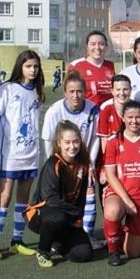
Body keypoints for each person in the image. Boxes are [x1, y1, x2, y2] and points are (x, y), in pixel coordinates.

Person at [0, 49, 45, 260]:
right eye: (29, 66)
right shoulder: (6, 89)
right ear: (20, 66)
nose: (32, 70)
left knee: (23, 199)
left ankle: (17, 241)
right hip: (9, 154)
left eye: (36, 66)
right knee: (5, 196)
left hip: (30, 153)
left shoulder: (38, 92)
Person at [40, 72, 101, 243]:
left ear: (85, 92)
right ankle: (56, 238)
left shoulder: (93, 109)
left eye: (80, 91)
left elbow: (96, 138)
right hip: (61, 162)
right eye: (72, 91)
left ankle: (87, 235)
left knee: (88, 195)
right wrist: (51, 164)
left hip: (83, 162)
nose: (76, 95)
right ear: (65, 92)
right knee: (59, 199)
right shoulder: (54, 111)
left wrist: (91, 163)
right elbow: (47, 139)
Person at [25, 121, 95, 268]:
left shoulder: (83, 163)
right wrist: (75, 212)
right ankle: (43, 250)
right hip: (41, 215)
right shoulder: (53, 164)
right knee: (57, 218)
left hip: (68, 216)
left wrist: (78, 220)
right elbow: (50, 199)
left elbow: (81, 197)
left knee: (83, 254)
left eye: (76, 141)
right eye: (67, 142)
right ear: (59, 142)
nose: (72, 146)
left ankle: (58, 243)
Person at [102, 101, 140, 266]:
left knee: (133, 253)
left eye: (138, 117)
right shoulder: (114, 142)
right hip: (119, 193)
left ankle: (121, 231)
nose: (134, 121)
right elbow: (110, 175)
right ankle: (113, 251)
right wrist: (127, 201)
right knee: (113, 210)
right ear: (122, 118)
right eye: (130, 117)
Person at [68, 30, 116, 106]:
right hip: (86, 113)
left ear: (106, 46)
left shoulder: (110, 66)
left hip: (106, 113)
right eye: (93, 44)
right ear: (87, 46)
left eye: (101, 44)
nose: (97, 47)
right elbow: (69, 93)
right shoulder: (75, 66)